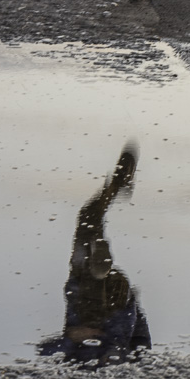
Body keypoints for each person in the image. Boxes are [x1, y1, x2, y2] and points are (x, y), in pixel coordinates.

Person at [39, 143, 151, 366]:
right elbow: (138, 345)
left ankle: (117, 185)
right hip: (112, 303)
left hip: (79, 284)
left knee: (87, 218)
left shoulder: (71, 363)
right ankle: (100, 269)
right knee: (89, 229)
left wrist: (72, 336)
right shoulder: (114, 363)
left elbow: (43, 349)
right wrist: (99, 336)